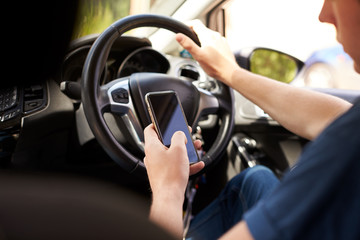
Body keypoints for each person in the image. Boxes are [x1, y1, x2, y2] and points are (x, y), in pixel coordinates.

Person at [143, 0, 360, 239]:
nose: (324, 14)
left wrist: (168, 189)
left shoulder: (349, 148)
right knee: (255, 179)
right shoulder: (351, 130)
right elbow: (336, 117)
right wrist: (229, 72)